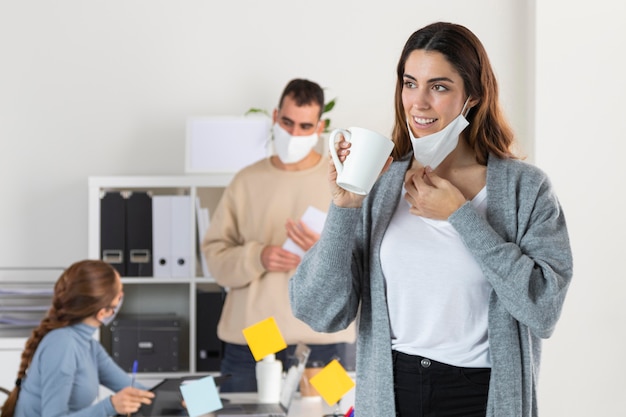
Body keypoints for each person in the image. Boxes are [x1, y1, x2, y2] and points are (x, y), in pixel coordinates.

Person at [289, 22, 573, 417]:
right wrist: (346, 206)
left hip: (482, 396)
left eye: (439, 87)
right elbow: (318, 310)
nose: (418, 102)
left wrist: (461, 216)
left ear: (472, 96)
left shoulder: (526, 189)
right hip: (393, 391)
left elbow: (543, 310)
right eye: (410, 83)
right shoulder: (382, 185)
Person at [202, 78, 355, 392]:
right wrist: (257, 256)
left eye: (304, 125)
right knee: (241, 413)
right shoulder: (247, 180)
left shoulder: (342, 179)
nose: (294, 134)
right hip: (258, 337)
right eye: (287, 123)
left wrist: (324, 251)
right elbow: (215, 256)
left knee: (333, 412)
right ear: (274, 117)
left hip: (323, 341)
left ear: (320, 126)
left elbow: (368, 262)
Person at [1, 260, 154, 417]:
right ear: (103, 312)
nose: (122, 299)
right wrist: (110, 406)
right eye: (120, 295)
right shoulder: (62, 344)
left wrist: (179, 400)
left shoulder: (89, 346)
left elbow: (138, 392)